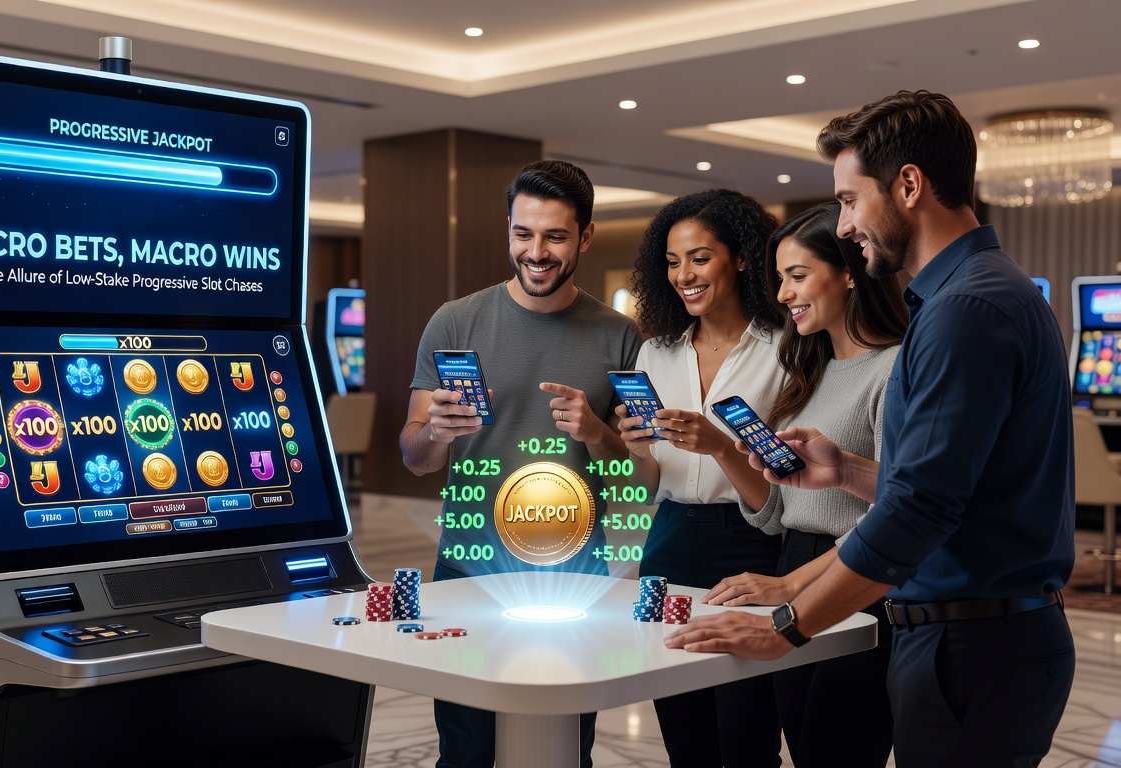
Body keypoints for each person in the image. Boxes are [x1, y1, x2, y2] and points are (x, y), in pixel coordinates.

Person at [665, 90, 1076, 768]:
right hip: (981, 638)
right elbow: (957, 490)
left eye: (851, 200)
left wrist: (787, 627)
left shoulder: (966, 309)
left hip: (971, 641)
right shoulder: (979, 294)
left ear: (908, 186)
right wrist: (847, 471)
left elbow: (920, 510)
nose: (847, 224)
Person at [400, 159, 642, 768]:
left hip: (573, 572)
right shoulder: (455, 321)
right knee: (466, 747)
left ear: (585, 236)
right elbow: (415, 460)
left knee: (564, 747)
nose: (536, 252)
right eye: (523, 234)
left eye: (555, 237)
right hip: (468, 563)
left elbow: (636, 475)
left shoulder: (620, 337)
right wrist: (434, 432)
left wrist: (595, 435)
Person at [703, 201, 908, 768]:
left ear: (847, 271)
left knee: (833, 753)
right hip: (794, 557)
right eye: (780, 281)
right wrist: (731, 453)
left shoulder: (894, 369)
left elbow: (897, 513)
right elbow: (776, 512)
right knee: (800, 744)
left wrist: (793, 585)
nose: (785, 294)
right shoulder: (808, 371)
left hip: (858, 581)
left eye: (797, 276)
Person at [615, 188, 784, 767]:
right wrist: (634, 448)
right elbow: (647, 486)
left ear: (740, 258)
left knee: (746, 736)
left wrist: (720, 447)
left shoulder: (787, 348)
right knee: (683, 735)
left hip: (752, 547)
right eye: (672, 261)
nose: (683, 275)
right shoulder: (655, 353)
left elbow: (779, 490)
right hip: (666, 542)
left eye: (699, 257)